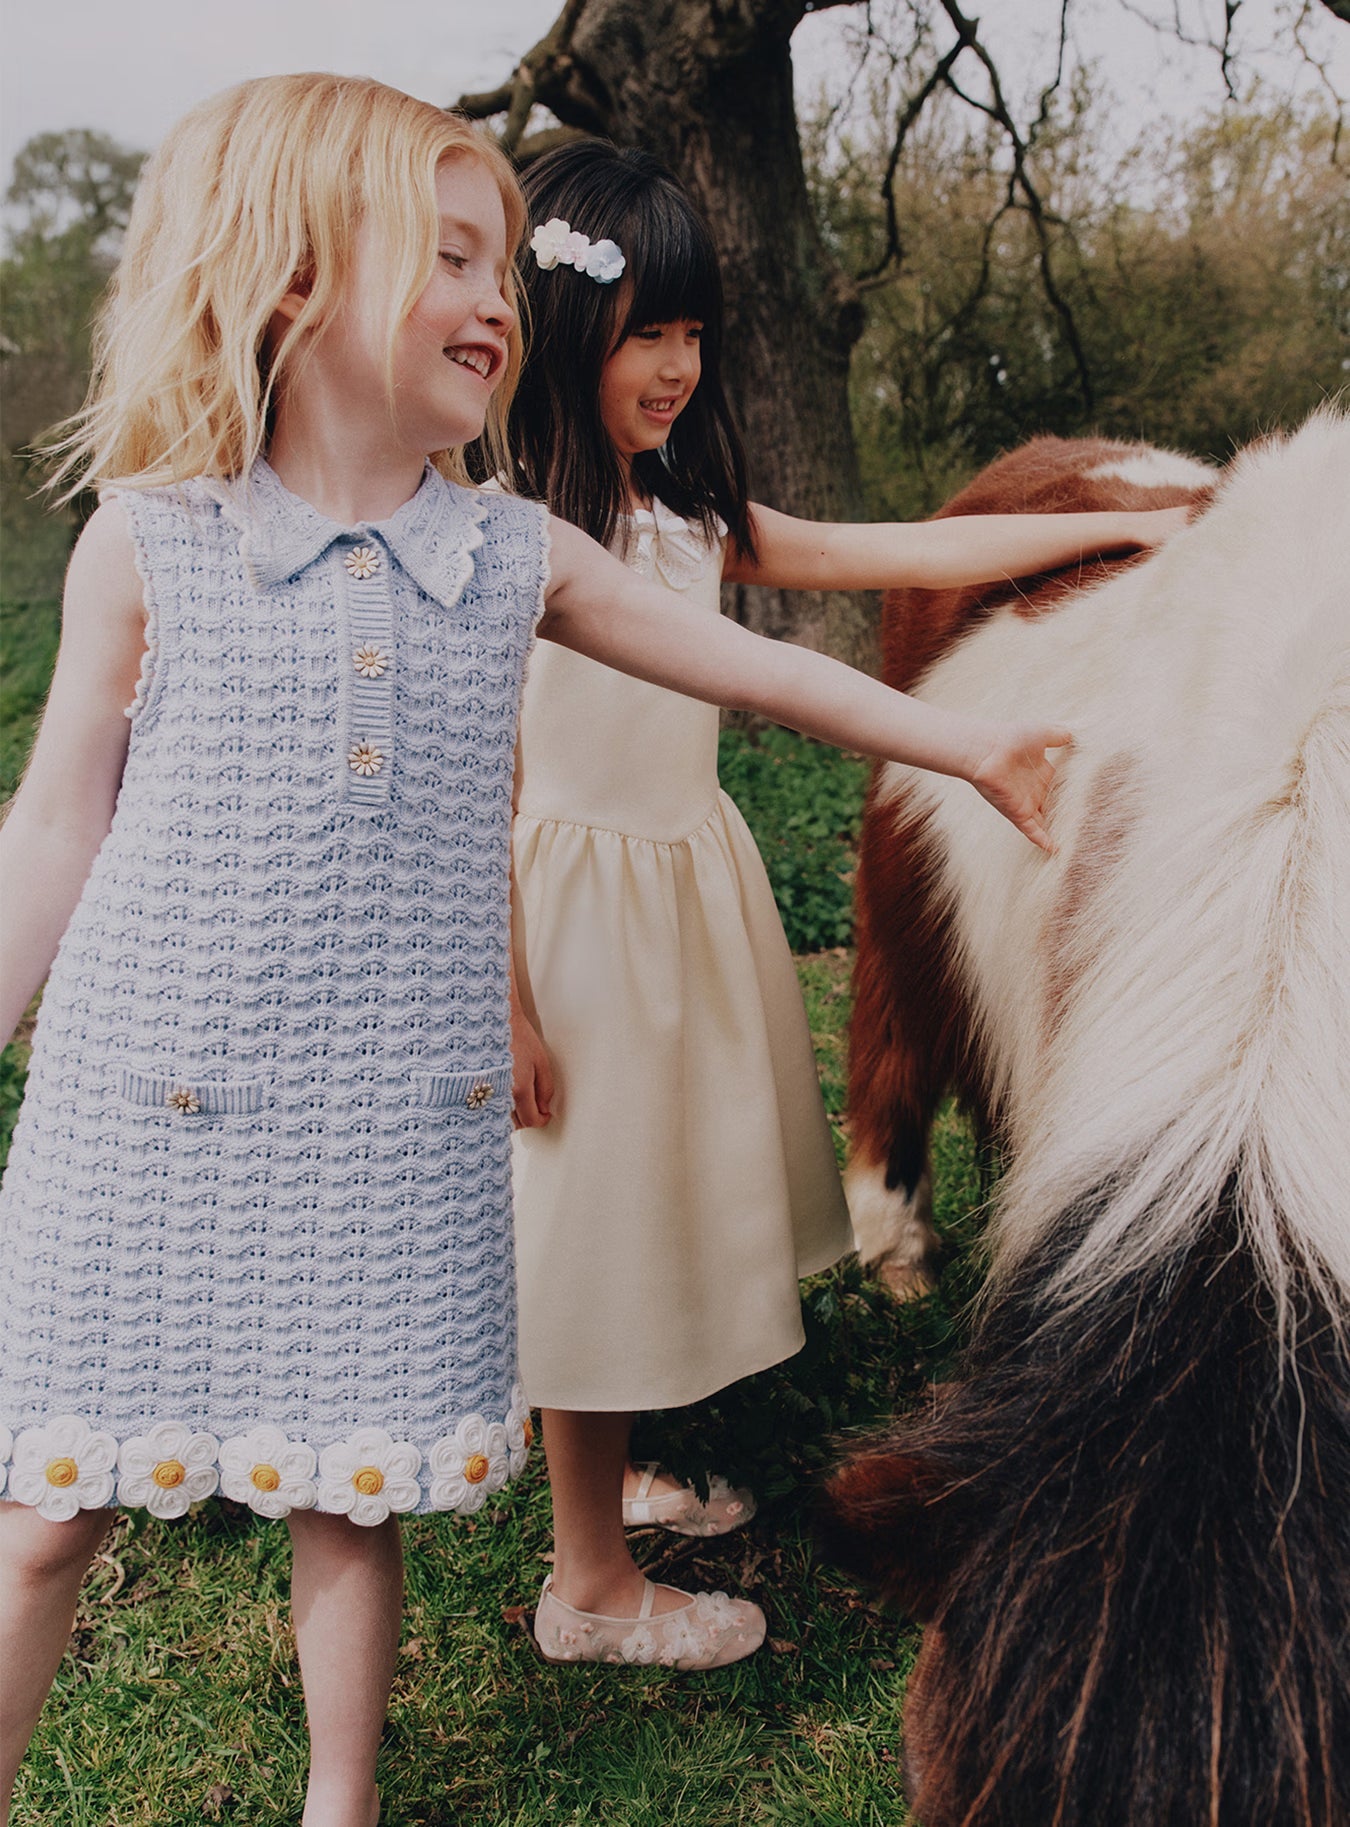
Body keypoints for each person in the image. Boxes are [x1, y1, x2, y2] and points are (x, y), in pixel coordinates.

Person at [0, 71, 1117, 1821]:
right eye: (452, 259)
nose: (492, 307)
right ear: (294, 278)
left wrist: (967, 740)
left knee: (347, 1494)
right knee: (41, 1520)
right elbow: (57, 818)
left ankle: (341, 1802)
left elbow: (758, 665)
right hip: (146, 1103)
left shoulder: (509, 552)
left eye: (504, 269)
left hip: (375, 1115)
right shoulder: (150, 544)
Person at [502, 140, 1190, 1672]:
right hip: (565, 921)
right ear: (562, 333)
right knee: (583, 1223)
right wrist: (506, 991)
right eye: (643, 336)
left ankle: (602, 1472)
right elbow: (479, 784)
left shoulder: (685, 513)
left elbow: (903, 548)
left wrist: (1116, 534)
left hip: (675, 887)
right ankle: (587, 1582)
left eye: (694, 335)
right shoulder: (506, 537)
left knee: (629, 1207)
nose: (676, 369)